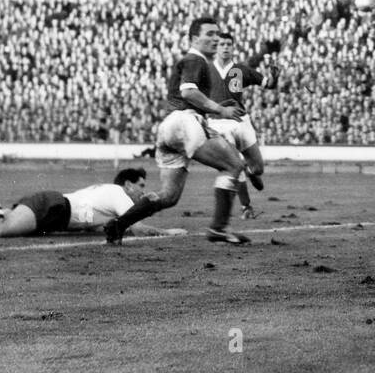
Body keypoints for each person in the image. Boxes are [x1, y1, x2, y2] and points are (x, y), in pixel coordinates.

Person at [103, 15, 249, 244]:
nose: (215, 39)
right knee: (234, 164)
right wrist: (220, 110)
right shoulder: (195, 59)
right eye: (209, 34)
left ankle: (118, 225)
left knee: (169, 197)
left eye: (217, 34)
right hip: (185, 123)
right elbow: (189, 92)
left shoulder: (197, 62)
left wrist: (215, 108)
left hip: (169, 127)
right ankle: (219, 228)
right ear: (194, 38)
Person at [0, 164, 183, 238]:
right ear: (127, 184)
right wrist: (166, 232)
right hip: (53, 208)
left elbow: (95, 220)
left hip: (51, 206)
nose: (142, 192)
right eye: (140, 187)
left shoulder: (105, 192)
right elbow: (133, 226)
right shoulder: (117, 194)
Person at [209, 31, 278, 219]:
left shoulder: (241, 70)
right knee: (235, 163)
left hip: (241, 121)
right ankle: (246, 207)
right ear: (216, 47)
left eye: (228, 45)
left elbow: (268, 84)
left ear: (233, 48)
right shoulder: (206, 70)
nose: (225, 47)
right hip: (217, 124)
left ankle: (251, 172)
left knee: (258, 168)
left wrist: (274, 76)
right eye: (221, 44)